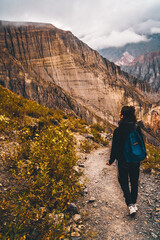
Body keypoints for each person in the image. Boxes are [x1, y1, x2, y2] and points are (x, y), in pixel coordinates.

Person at [106, 106, 145, 216]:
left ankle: (130, 204)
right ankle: (134, 203)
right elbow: (141, 143)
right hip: (135, 159)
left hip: (123, 161)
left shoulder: (118, 130)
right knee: (134, 181)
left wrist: (111, 160)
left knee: (123, 181)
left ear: (122, 115)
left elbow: (114, 147)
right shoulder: (137, 128)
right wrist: (144, 155)